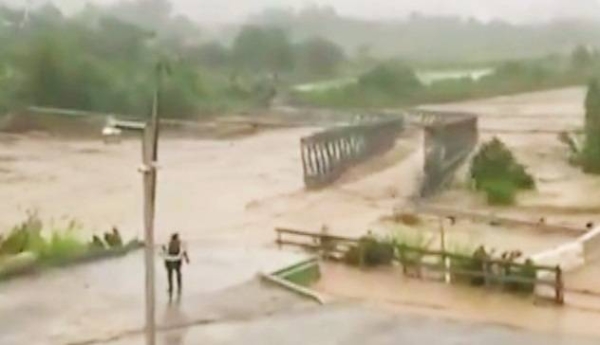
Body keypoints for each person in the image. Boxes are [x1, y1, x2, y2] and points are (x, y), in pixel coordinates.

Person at [162, 233, 190, 298]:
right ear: (176, 237)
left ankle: (171, 288)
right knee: (178, 273)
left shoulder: (169, 242)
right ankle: (179, 287)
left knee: (170, 274)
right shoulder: (179, 242)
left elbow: (164, 250)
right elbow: (184, 251)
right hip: (176, 260)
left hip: (169, 259)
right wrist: (187, 259)